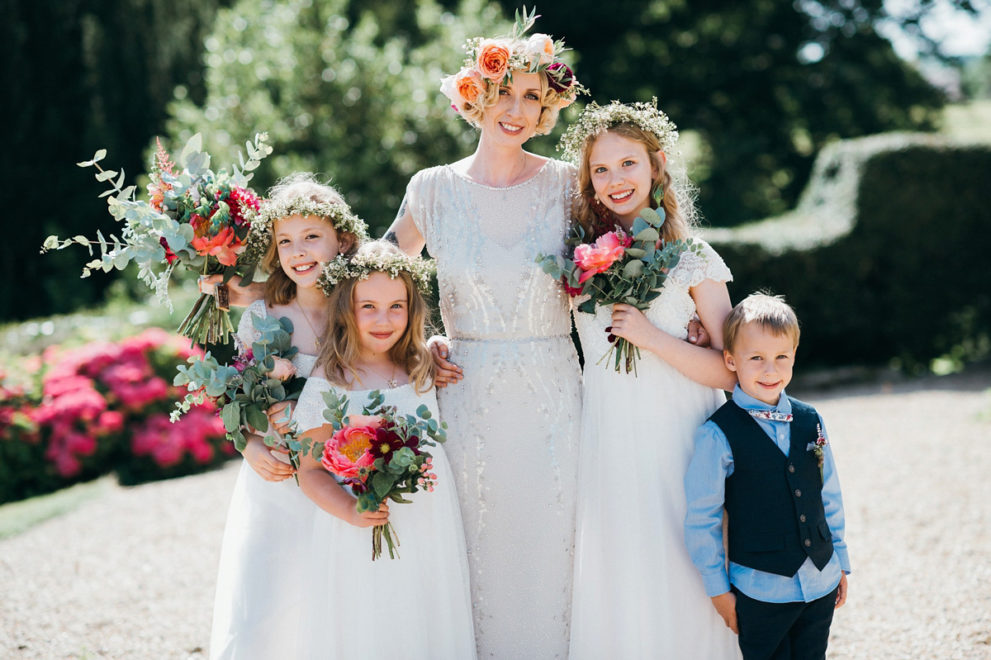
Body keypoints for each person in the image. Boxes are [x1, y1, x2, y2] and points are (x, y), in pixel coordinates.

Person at [382, 12, 587, 657]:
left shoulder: (567, 186)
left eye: (533, 96)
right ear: (476, 93)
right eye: (504, 92)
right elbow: (375, 275)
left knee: (557, 542)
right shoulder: (433, 190)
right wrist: (418, 344)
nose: (517, 109)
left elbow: (627, 257)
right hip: (465, 396)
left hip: (555, 395)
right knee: (475, 545)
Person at [559, 99, 742, 658]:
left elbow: (734, 374)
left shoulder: (693, 258)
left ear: (657, 165)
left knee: (685, 564)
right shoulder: (576, 261)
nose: (616, 179)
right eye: (601, 169)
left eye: (628, 164)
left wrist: (655, 338)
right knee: (622, 572)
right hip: (608, 440)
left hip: (681, 440)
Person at [292, 240, 476, 659]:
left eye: (397, 306)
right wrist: (350, 511)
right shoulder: (331, 377)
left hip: (428, 521)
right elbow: (310, 470)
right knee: (373, 623)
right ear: (346, 309)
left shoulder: (420, 364)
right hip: (361, 524)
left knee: (426, 617)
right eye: (368, 306)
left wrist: (439, 343)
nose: (384, 319)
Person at [209, 174, 367, 660]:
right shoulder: (263, 313)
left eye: (311, 237)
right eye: (285, 241)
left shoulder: (365, 306)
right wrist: (249, 445)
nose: (298, 251)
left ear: (342, 239)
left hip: (349, 472)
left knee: (343, 605)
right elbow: (233, 390)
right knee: (273, 606)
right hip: (277, 478)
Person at [684, 293, 850, 660]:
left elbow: (829, 495)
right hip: (761, 592)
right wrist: (717, 590)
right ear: (730, 359)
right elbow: (702, 518)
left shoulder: (811, 420)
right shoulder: (718, 434)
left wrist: (839, 560)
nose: (770, 370)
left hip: (821, 581)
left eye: (781, 358)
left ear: (793, 357)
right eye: (755, 358)